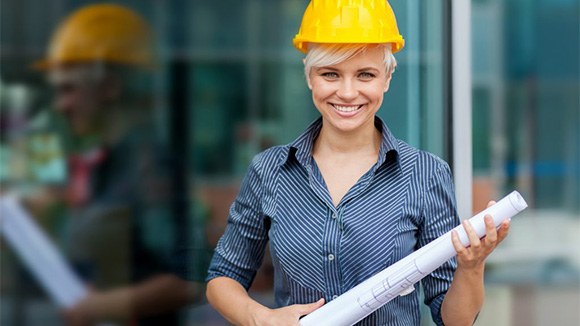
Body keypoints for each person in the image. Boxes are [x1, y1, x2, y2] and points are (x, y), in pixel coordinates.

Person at [205, 1, 510, 326]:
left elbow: (454, 320)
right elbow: (223, 279)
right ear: (310, 76)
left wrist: (471, 266)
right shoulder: (269, 172)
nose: (348, 92)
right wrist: (261, 318)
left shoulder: (426, 174)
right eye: (330, 74)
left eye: (365, 74)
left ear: (388, 77)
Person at [30, 4, 206, 326]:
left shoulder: (149, 166)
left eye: (68, 89)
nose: (60, 105)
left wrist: (98, 306)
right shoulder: (110, 163)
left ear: (110, 87)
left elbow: (189, 280)